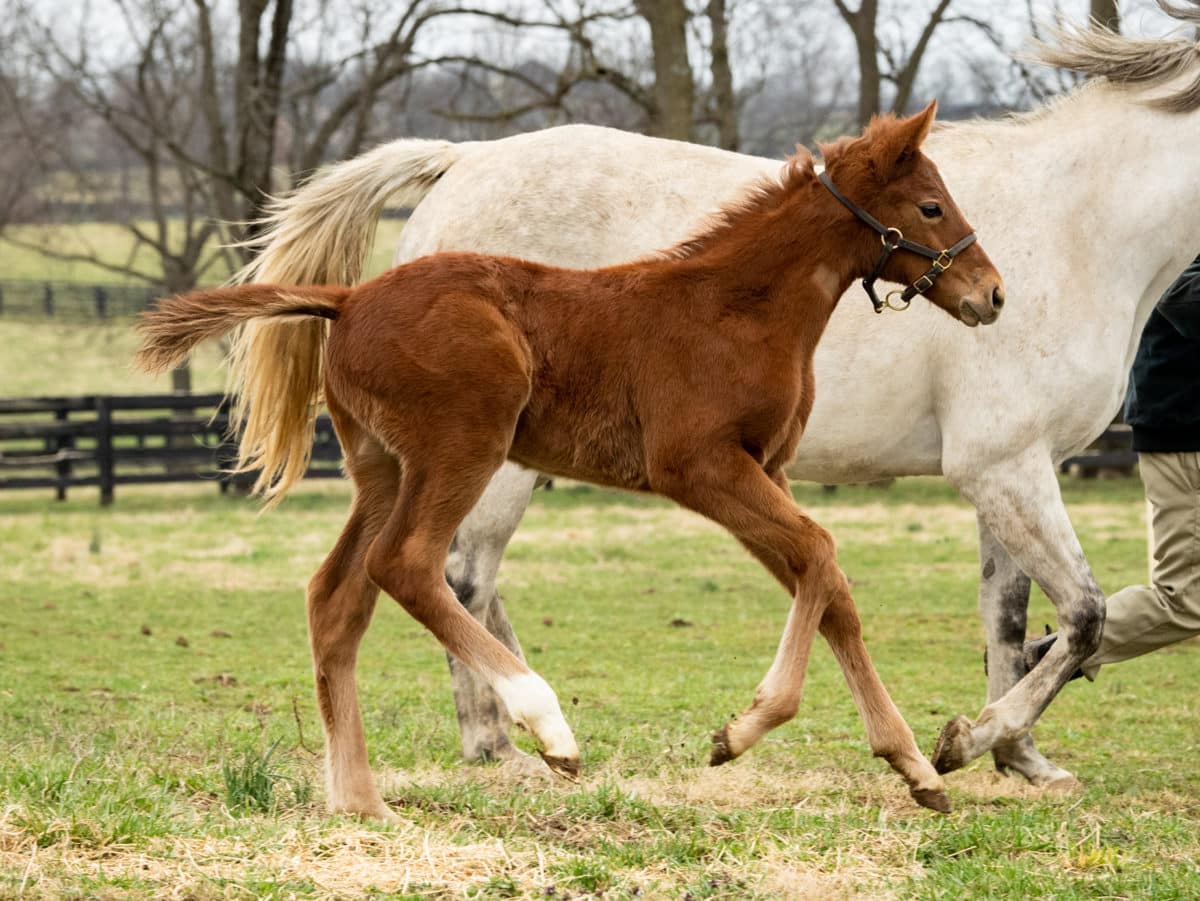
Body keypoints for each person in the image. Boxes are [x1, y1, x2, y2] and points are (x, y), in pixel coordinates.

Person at [1027, 254, 1200, 678]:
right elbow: (1180, 294)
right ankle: (1058, 653)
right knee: (1183, 599)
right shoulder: (1184, 228)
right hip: (1184, 432)